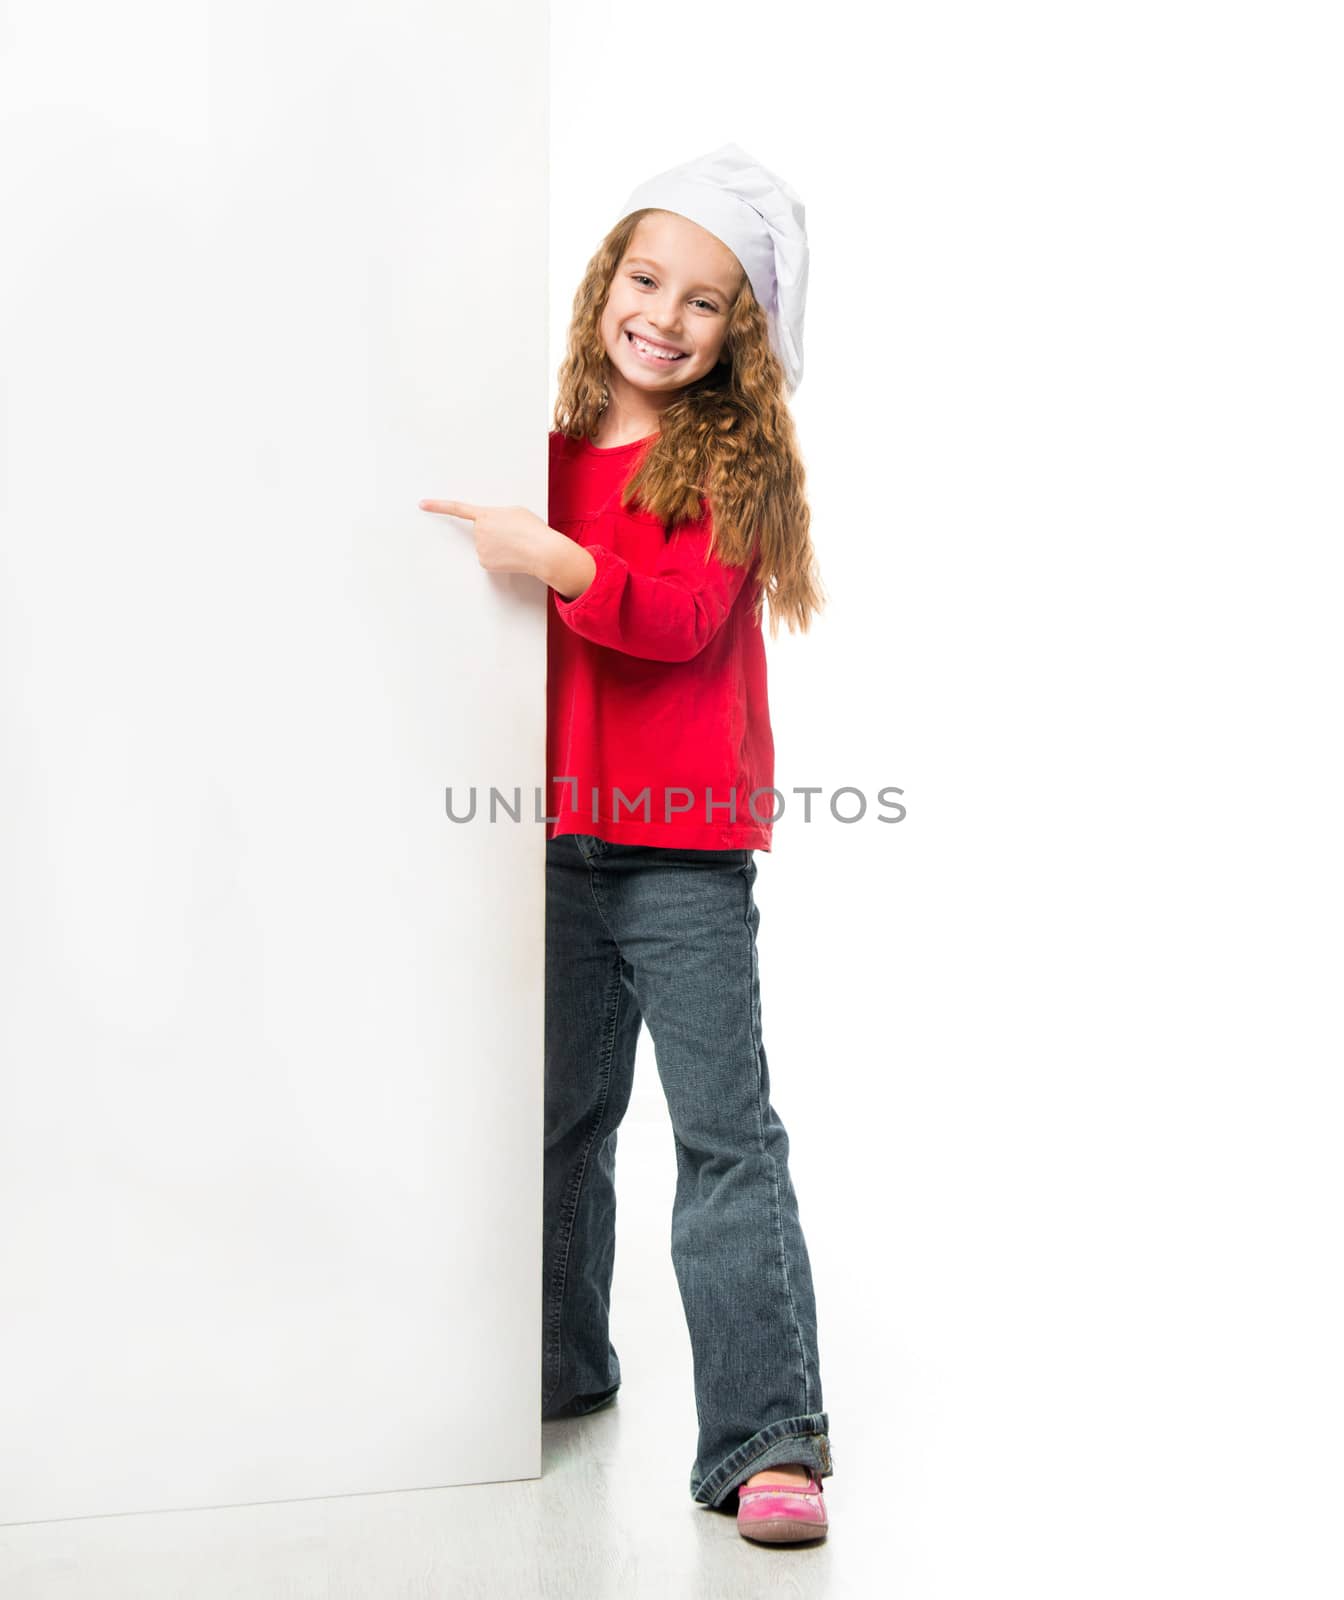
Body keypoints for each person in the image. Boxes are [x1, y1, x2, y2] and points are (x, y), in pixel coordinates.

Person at [420, 143, 832, 1545]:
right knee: (552, 1127)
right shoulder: (531, 457)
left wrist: (556, 559)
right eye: (646, 277)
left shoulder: (734, 465)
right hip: (547, 843)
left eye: (705, 300)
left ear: (742, 338)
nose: (664, 313)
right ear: (607, 280)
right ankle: (556, 1365)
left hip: (681, 857)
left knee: (724, 1140)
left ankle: (769, 1437)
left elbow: (672, 622)